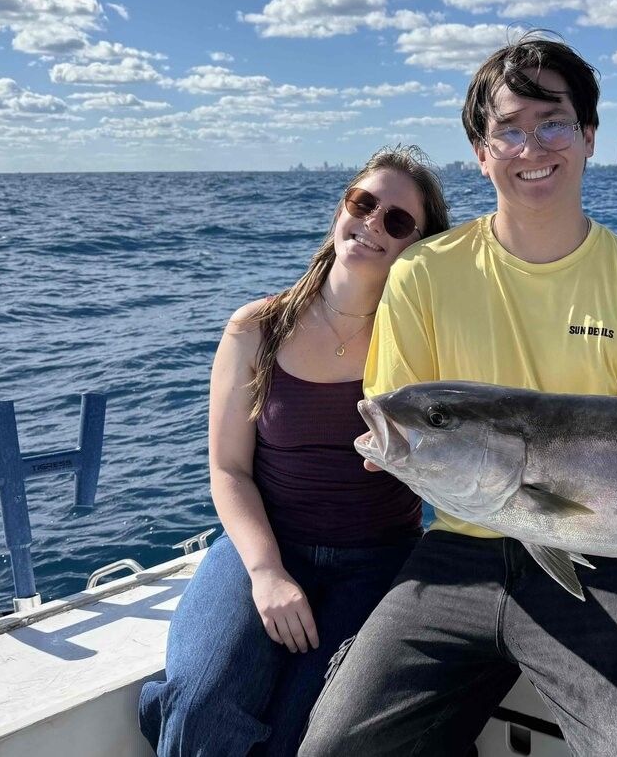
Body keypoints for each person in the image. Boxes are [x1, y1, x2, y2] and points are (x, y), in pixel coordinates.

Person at [298, 33, 617, 757]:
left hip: (616, 565)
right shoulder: (422, 276)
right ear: (481, 152)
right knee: (334, 747)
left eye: (553, 123)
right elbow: (406, 423)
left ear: (589, 137)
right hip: (461, 552)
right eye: (509, 130)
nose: (533, 147)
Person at [139, 146, 451, 757]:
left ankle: (163, 709)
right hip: (263, 548)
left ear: (417, 245)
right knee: (202, 710)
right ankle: (171, 705)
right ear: (341, 209)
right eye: (363, 203)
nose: (371, 223)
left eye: (397, 221)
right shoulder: (258, 327)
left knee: (301, 736)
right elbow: (228, 470)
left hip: (376, 566)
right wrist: (266, 572)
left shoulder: (422, 347)